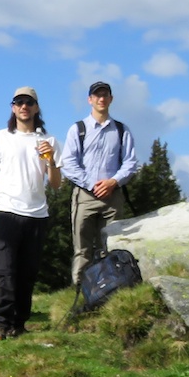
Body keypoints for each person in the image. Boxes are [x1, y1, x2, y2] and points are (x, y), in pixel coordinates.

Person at [0, 86, 62, 340]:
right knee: (4, 270)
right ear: (13, 108)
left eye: (29, 102)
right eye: (19, 102)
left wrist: (51, 160)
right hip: (7, 211)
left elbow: (56, 184)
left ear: (36, 108)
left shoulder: (49, 141)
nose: (24, 106)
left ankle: (19, 323)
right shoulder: (0, 137)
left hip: (37, 215)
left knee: (27, 273)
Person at [60, 81, 139, 284]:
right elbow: (68, 163)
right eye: (97, 95)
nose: (101, 99)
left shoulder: (121, 130)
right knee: (82, 249)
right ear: (90, 100)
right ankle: (81, 291)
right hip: (85, 196)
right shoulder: (78, 129)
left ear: (111, 99)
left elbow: (130, 163)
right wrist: (92, 184)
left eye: (105, 95)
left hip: (113, 196)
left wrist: (113, 182)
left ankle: (112, 290)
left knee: (111, 247)